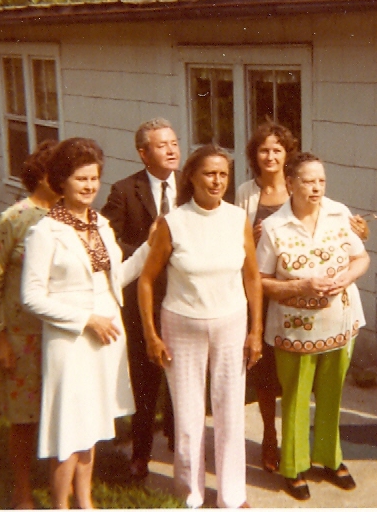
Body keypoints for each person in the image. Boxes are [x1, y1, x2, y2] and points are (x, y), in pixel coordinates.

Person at [21, 138, 155, 509]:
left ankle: (85, 501)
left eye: (94, 178)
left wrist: (150, 246)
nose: (90, 186)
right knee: (69, 429)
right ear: (61, 181)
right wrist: (86, 320)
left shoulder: (100, 224)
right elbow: (31, 297)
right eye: (81, 178)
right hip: (71, 341)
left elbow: (115, 279)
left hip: (106, 338)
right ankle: (61, 505)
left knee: (92, 424)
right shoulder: (45, 232)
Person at [235, 121, 369, 473]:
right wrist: (300, 288)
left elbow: (361, 256)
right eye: (309, 181)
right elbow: (259, 278)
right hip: (292, 326)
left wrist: (346, 276)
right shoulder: (273, 225)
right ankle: (293, 467)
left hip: (339, 321)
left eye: (321, 181)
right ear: (291, 183)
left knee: (331, 395)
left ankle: (330, 458)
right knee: (293, 396)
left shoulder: (338, 213)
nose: (317, 187)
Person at [137, 144, 263, 509]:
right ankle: (190, 494)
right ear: (191, 176)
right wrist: (150, 334)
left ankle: (232, 495)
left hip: (231, 323)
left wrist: (255, 331)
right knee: (189, 414)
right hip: (181, 325)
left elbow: (252, 278)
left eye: (223, 174)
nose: (217, 181)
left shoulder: (237, 218)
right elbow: (146, 280)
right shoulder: (173, 222)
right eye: (209, 173)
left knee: (230, 412)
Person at [0, 140, 59, 509]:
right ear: (43, 176)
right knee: (24, 418)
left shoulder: (69, 216)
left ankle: (62, 489)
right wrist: (0, 340)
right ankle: (23, 490)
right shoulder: (14, 218)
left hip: (60, 332)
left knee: (62, 412)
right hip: (22, 334)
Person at [101, 117, 179, 479]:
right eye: (162, 145)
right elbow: (107, 245)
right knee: (146, 377)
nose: (172, 150)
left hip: (185, 296)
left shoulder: (191, 186)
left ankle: (179, 441)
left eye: (174, 143)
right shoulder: (124, 191)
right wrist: (147, 248)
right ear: (143, 153)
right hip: (144, 299)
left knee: (183, 374)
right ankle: (141, 451)